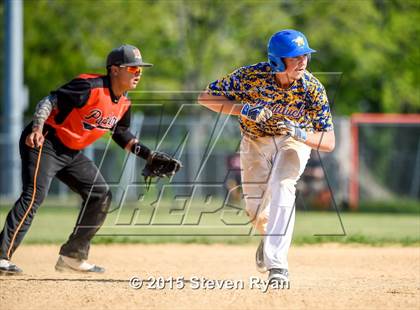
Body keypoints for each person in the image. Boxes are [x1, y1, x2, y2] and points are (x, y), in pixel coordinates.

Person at [0, 44, 174, 275]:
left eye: (140, 69)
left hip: (71, 152)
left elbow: (121, 134)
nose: (138, 73)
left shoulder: (124, 103)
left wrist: (148, 155)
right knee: (34, 196)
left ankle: (73, 255)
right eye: (132, 68)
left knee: (100, 194)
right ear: (114, 70)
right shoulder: (89, 86)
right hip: (47, 141)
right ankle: (2, 256)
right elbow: (49, 101)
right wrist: (37, 127)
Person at [198, 29, 335, 284]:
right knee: (256, 212)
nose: (302, 61)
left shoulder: (312, 88)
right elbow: (205, 98)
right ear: (276, 61)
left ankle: (277, 266)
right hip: (255, 141)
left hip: (293, 141)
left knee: (284, 185)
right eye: (295, 57)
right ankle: (268, 237)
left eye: (305, 55)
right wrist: (243, 109)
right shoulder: (250, 77)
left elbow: (328, 142)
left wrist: (302, 134)